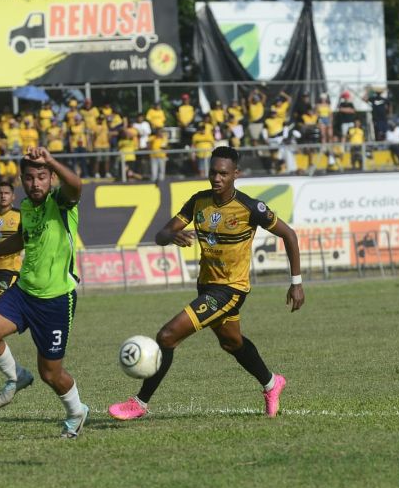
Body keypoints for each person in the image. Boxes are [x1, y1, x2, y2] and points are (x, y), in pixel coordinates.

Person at [108, 145, 305, 421]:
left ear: (236, 174)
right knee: (231, 343)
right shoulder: (198, 201)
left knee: (167, 336)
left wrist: (296, 283)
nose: (216, 178)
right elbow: (160, 235)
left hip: (231, 290)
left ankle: (139, 403)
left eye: (223, 173)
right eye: (212, 172)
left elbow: (290, 235)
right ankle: (272, 383)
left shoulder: (250, 208)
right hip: (206, 286)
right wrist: (171, 236)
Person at [0, 147, 89, 439]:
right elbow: (21, 238)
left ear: (51, 178)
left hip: (56, 299)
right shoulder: (27, 209)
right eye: (29, 178)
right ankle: (17, 375)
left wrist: (52, 159)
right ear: (22, 181)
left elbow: (76, 185)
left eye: (42, 177)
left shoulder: (62, 202)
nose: (36, 184)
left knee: (51, 374)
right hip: (24, 291)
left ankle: (76, 412)